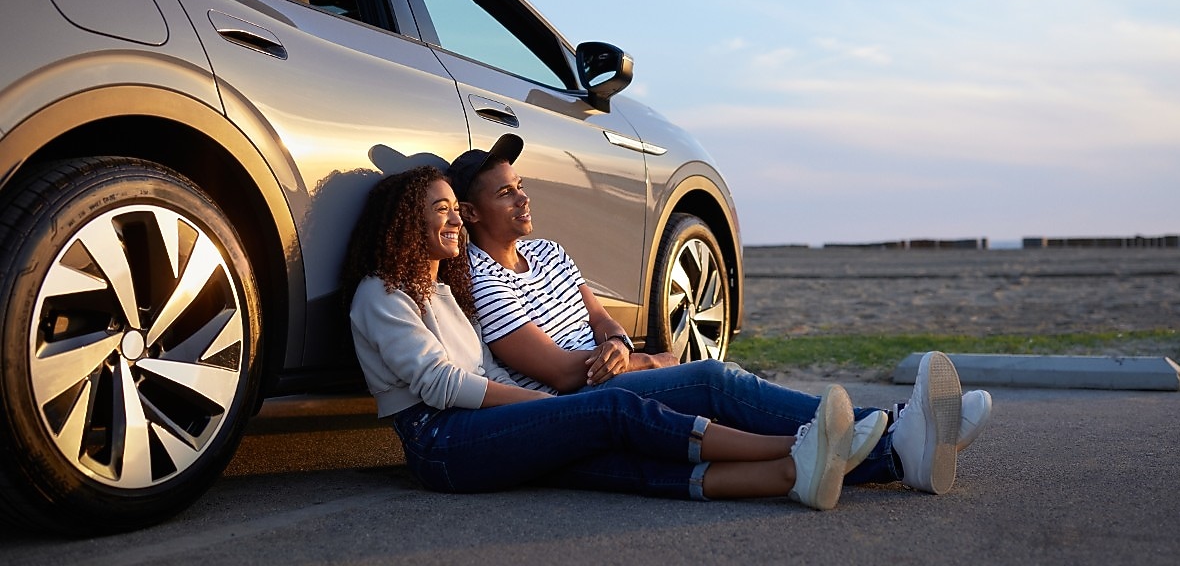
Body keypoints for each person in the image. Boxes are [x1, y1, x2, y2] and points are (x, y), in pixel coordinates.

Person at [447, 134, 994, 496]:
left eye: (520, 187)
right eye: (504, 195)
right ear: (470, 213)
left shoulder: (549, 252)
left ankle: (899, 449)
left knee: (721, 391)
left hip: (610, 377)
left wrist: (620, 345)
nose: (523, 200)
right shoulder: (481, 279)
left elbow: (599, 318)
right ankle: (901, 431)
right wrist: (645, 362)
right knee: (711, 379)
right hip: (575, 406)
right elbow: (562, 374)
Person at [341, 165, 891, 510]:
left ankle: (794, 475)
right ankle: (802, 445)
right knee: (611, 412)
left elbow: (486, 368)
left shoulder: (443, 291)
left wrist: (569, 393)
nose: (456, 222)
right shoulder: (381, 295)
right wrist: (542, 407)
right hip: (440, 443)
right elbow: (441, 385)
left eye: (455, 212)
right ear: (403, 223)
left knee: (613, 461)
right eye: (442, 211)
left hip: (475, 428)